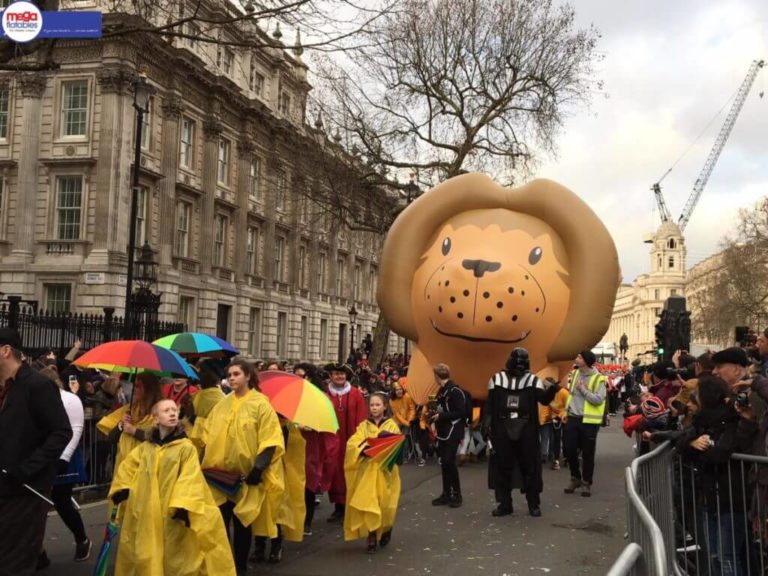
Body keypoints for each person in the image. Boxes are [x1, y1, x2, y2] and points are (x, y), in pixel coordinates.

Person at [109, 398, 235, 575]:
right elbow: (129, 466)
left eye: (174, 410)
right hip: (147, 511)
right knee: (146, 551)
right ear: (156, 418)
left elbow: (190, 478)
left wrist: (183, 505)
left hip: (173, 511)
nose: (172, 413)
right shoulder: (147, 447)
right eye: (166, 410)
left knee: (174, 555)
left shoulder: (185, 448)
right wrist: (122, 488)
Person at [200, 359, 284, 576]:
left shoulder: (261, 404)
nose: (232, 378)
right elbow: (207, 435)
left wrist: (258, 468)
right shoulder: (222, 404)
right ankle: (224, 566)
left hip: (245, 478)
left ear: (248, 376)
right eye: (229, 374)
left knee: (242, 524)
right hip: (218, 477)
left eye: (236, 374)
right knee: (220, 523)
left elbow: (270, 438)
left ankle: (240, 566)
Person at [0, 327, 73, 575]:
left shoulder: (37, 385)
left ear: (5, 351)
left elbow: (62, 432)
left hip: (25, 489)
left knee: (13, 563)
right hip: (4, 488)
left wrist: (25, 470)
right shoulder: (4, 387)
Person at [482, 348, 559, 517]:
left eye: (522, 364)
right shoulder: (497, 379)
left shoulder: (532, 381)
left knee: (530, 466)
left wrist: (552, 390)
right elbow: (489, 405)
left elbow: (543, 399)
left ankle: (533, 504)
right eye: (517, 363)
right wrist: (486, 424)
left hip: (526, 429)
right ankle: (504, 504)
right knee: (502, 466)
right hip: (502, 427)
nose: (519, 367)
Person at [37, 365, 90, 568]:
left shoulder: (69, 399)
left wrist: (64, 458)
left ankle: (82, 538)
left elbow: (76, 429)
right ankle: (38, 551)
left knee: (61, 501)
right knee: (37, 505)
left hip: (64, 455)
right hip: (45, 454)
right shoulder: (39, 400)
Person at [344, 392, 402, 553]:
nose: (374, 408)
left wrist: (379, 446)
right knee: (371, 503)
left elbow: (395, 445)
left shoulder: (391, 425)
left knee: (386, 505)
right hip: (368, 471)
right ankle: (371, 535)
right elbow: (353, 443)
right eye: (372, 405)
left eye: (378, 405)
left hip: (385, 472)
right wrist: (364, 449)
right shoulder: (364, 426)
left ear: (384, 407)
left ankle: (386, 528)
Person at [97, 373, 163, 481]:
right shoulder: (129, 409)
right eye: (134, 385)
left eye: (138, 386)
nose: (134, 389)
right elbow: (111, 438)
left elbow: (159, 438)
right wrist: (121, 424)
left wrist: (134, 431)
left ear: (148, 389)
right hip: (125, 466)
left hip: (146, 468)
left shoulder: (160, 411)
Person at [323, 362, 367, 522]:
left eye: (342, 374)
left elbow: (362, 418)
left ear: (346, 376)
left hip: (350, 440)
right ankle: (338, 508)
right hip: (333, 441)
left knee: (350, 471)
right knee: (334, 473)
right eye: (335, 374)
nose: (339, 376)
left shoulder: (356, 394)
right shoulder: (326, 395)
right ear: (331, 376)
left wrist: (360, 440)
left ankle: (350, 507)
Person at [563, 350, 607, 498]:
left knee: (588, 453)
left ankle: (586, 482)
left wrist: (584, 390)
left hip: (588, 420)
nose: (576, 358)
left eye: (579, 357)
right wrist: (565, 411)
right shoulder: (575, 374)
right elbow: (570, 395)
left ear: (587, 361)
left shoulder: (598, 378)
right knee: (568, 449)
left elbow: (598, 400)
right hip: (572, 417)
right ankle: (575, 477)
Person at [429, 363, 466, 508]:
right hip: (444, 430)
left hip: (453, 429)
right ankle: (446, 493)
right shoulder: (441, 391)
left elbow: (461, 412)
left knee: (449, 462)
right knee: (445, 463)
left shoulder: (455, 391)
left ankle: (457, 495)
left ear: (437, 376)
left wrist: (442, 415)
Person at [538, 377, 570, 470]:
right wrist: (542, 420)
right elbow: (546, 408)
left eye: (545, 386)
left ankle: (566, 457)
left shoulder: (563, 392)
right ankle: (556, 460)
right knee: (556, 438)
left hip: (566, 417)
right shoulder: (547, 395)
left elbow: (569, 405)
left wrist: (561, 415)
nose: (544, 388)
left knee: (566, 439)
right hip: (555, 418)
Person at [390, 383, 416, 460]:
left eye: (400, 389)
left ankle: (405, 456)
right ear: (394, 391)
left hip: (408, 419)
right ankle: (397, 455)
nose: (399, 391)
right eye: (397, 390)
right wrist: (406, 423)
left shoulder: (407, 396)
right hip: (397, 421)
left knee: (405, 438)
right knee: (397, 439)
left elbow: (412, 409)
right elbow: (397, 414)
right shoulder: (392, 401)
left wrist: (410, 420)